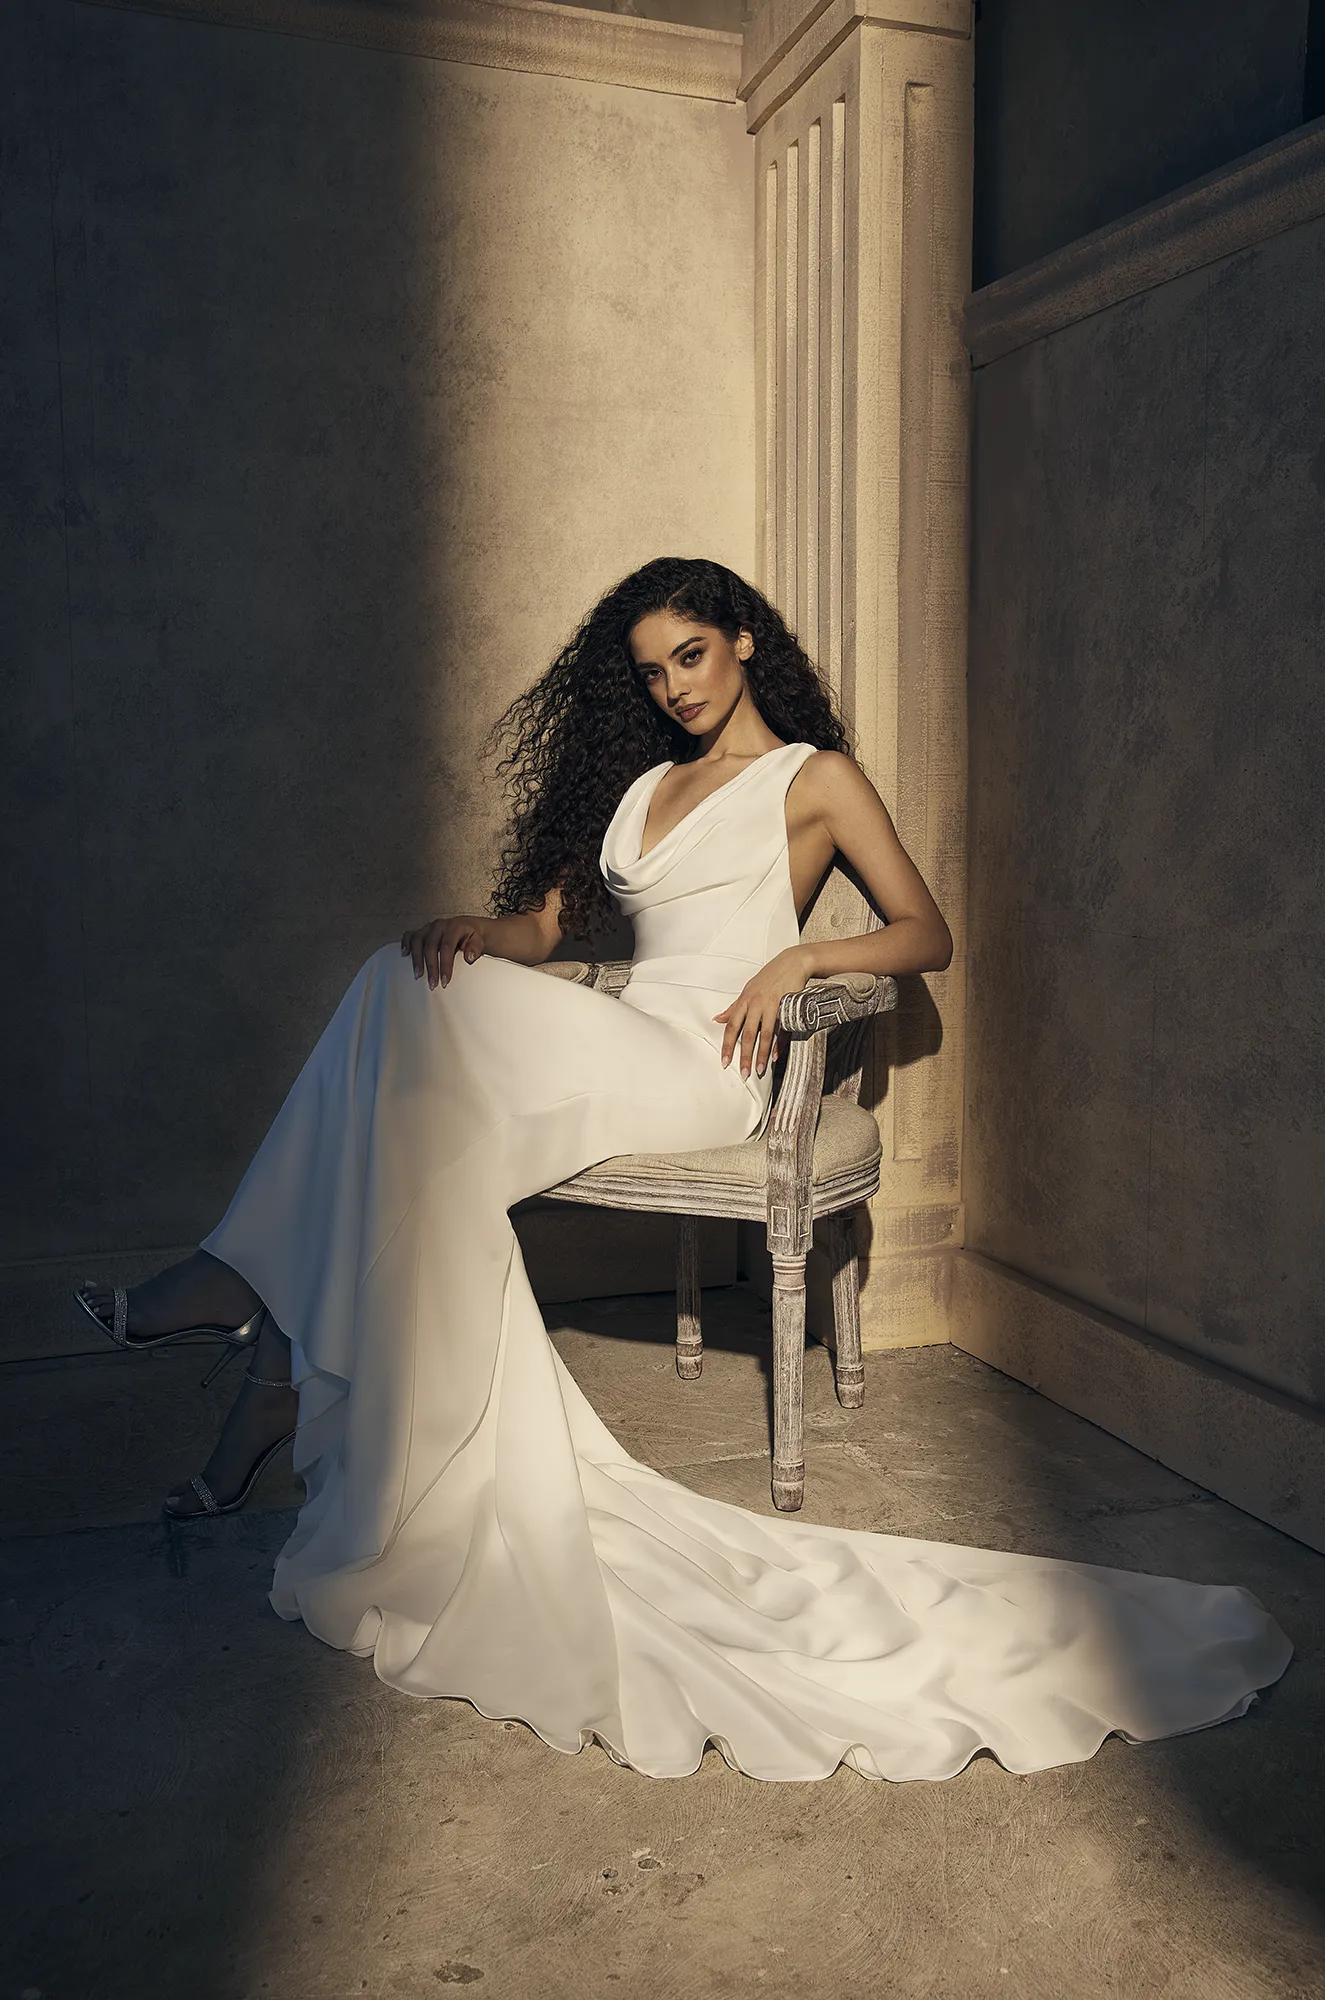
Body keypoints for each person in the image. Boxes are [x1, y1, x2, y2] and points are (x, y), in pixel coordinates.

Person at [75, 557, 1291, 1783]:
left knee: (394, 1040)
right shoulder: (641, 780)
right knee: (401, 993)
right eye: (653, 670)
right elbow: (549, 929)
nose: (673, 687)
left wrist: (799, 964)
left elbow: (927, 930)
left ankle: (248, 1307)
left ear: (745, 640)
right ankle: (269, 1342)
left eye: (691, 656)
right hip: (612, 1033)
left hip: (701, 1059)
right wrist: (483, 935)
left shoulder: (812, 779)